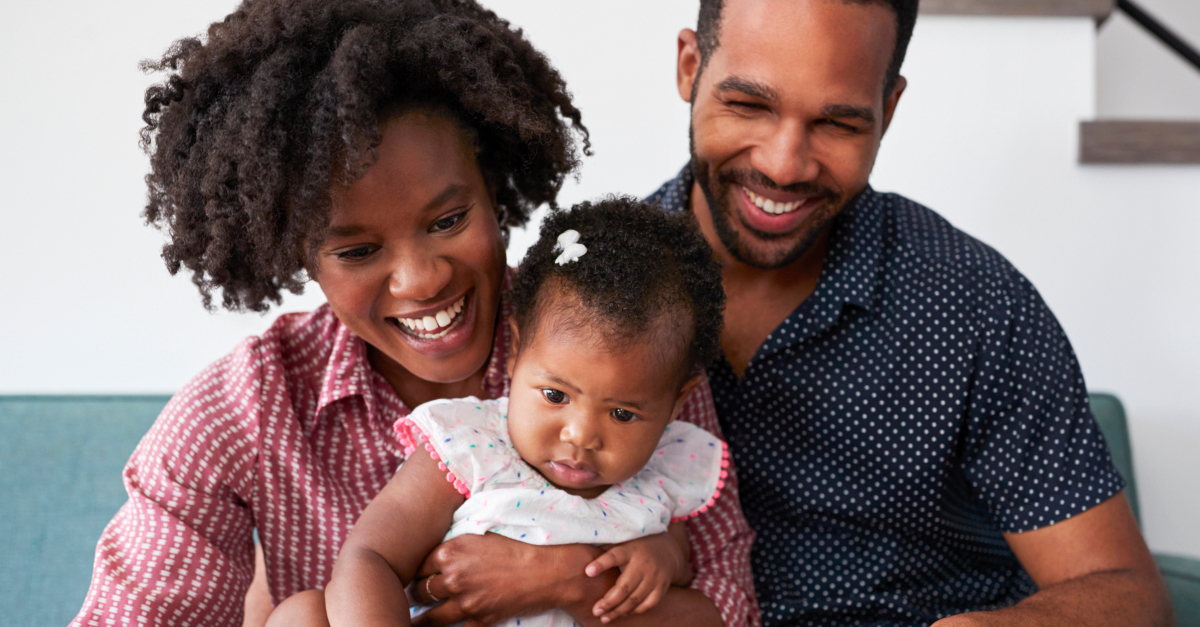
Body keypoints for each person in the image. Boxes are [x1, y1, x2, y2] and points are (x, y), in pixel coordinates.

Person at [69, 2, 758, 627]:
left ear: (493, 182)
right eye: (359, 248)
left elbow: (727, 605)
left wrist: (553, 579)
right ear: (296, 249)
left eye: (449, 218)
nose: (422, 278)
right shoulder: (244, 410)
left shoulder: (624, 345)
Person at [645, 0, 1175, 625]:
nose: (783, 165)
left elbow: (1131, 596)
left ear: (888, 110)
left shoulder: (975, 302)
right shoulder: (585, 293)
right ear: (689, 67)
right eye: (749, 105)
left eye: (838, 123)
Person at [265, 198, 734, 627]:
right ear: (514, 357)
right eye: (555, 396)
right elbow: (370, 557)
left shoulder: (661, 480)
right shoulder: (470, 445)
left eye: (623, 415)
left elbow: (701, 606)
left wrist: (661, 561)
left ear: (677, 403)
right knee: (301, 615)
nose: (580, 434)